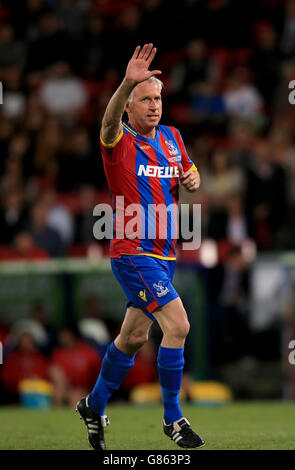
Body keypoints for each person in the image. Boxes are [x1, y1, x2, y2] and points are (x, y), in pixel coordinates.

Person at [76, 43, 204, 450]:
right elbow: (109, 119)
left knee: (132, 339)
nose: (153, 106)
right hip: (132, 251)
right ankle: (173, 418)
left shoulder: (172, 137)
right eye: (145, 99)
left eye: (157, 98)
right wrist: (126, 83)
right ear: (130, 106)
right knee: (178, 325)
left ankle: (93, 406)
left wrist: (193, 178)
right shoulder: (118, 140)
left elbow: (186, 168)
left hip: (164, 255)